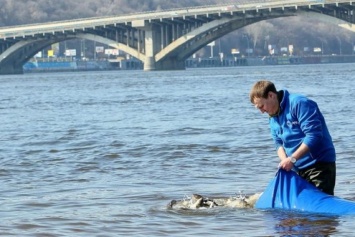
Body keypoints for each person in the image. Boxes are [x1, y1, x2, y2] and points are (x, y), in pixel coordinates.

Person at [249, 80, 336, 195]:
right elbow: (278, 143)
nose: (261, 111)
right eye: (258, 108)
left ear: (271, 95)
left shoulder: (300, 103)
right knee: (301, 211)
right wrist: (285, 161)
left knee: (319, 209)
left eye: (262, 106)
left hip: (319, 165)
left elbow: (314, 135)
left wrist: (292, 159)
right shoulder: (272, 117)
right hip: (297, 170)